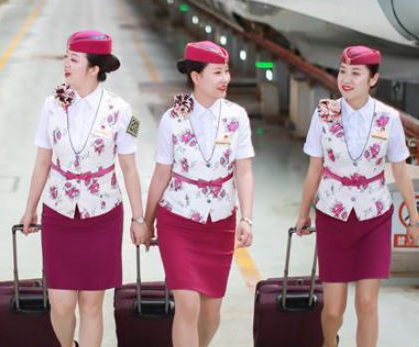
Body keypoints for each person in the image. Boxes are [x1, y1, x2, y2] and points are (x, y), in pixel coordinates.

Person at [20, 30, 148, 347]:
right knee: (61, 303)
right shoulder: (51, 105)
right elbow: (42, 161)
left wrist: (139, 217)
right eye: (66, 57)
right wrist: (30, 208)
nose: (66, 64)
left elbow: (130, 168)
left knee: (92, 304)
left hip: (103, 214)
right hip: (59, 210)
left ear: (94, 68)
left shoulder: (123, 111)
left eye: (73, 59)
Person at [294, 45, 419, 347]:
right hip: (332, 214)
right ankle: (330, 342)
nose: (346, 79)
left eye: (355, 73)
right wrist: (303, 213)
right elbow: (315, 169)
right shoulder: (324, 113)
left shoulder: (388, 118)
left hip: (374, 216)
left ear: (373, 79)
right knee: (333, 309)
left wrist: (414, 219)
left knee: (366, 304)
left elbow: (400, 171)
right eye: (343, 72)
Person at [143, 40, 254, 347]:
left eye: (226, 71)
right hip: (178, 219)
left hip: (220, 221)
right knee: (187, 304)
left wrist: (247, 218)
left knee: (210, 313)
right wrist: (146, 221)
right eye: (217, 72)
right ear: (196, 76)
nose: (225, 79)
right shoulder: (172, 119)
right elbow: (161, 173)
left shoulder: (237, 116)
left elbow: (244, 171)